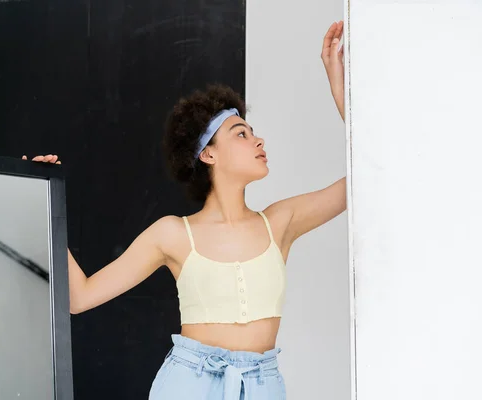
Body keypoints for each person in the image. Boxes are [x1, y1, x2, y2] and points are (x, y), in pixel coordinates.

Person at [24, 21, 346, 400]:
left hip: (263, 386)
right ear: (207, 154)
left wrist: (340, 91)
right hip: (188, 385)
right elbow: (79, 298)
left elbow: (364, 182)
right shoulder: (173, 234)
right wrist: (38, 195)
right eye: (241, 133)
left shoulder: (280, 222)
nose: (258, 140)